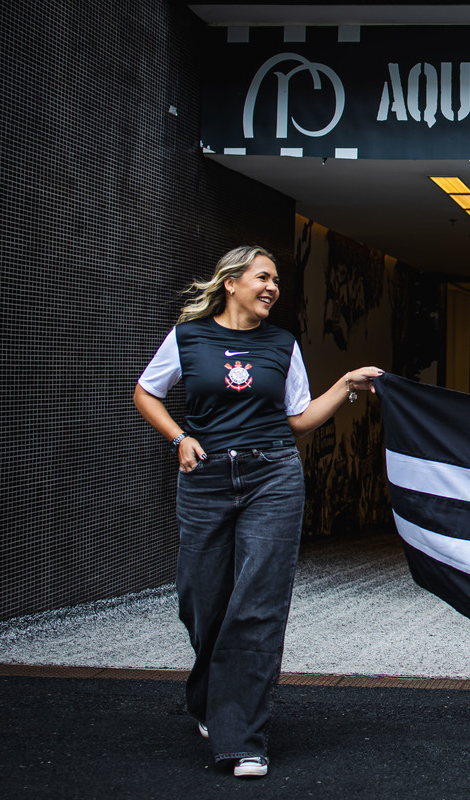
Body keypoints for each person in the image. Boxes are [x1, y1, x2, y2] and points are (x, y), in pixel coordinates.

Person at [133, 245, 383, 779]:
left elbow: (298, 418)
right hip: (205, 478)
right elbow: (146, 392)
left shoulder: (282, 344)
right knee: (201, 599)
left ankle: (243, 739)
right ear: (230, 282)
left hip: (273, 474)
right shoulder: (189, 338)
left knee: (258, 603)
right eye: (262, 277)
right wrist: (178, 436)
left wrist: (344, 385)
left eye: (275, 281)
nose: (271, 287)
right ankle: (209, 694)